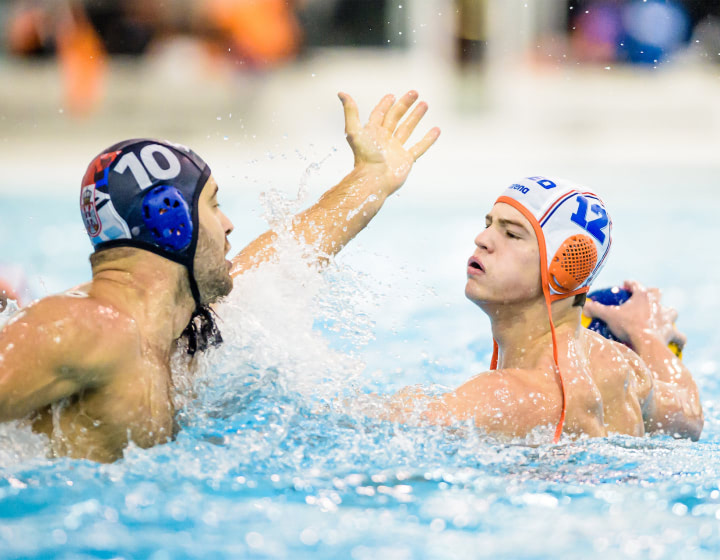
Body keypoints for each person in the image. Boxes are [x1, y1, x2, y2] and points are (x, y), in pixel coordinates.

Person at [0, 91, 440, 462]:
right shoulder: (87, 327)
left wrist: (371, 178)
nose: (228, 223)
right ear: (170, 219)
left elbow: (284, 258)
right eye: (213, 204)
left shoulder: (171, 333)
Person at [367, 176, 703, 442]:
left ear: (567, 265)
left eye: (511, 234)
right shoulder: (622, 367)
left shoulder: (505, 398)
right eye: (489, 223)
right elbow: (690, 415)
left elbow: (335, 424)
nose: (482, 239)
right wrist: (647, 335)